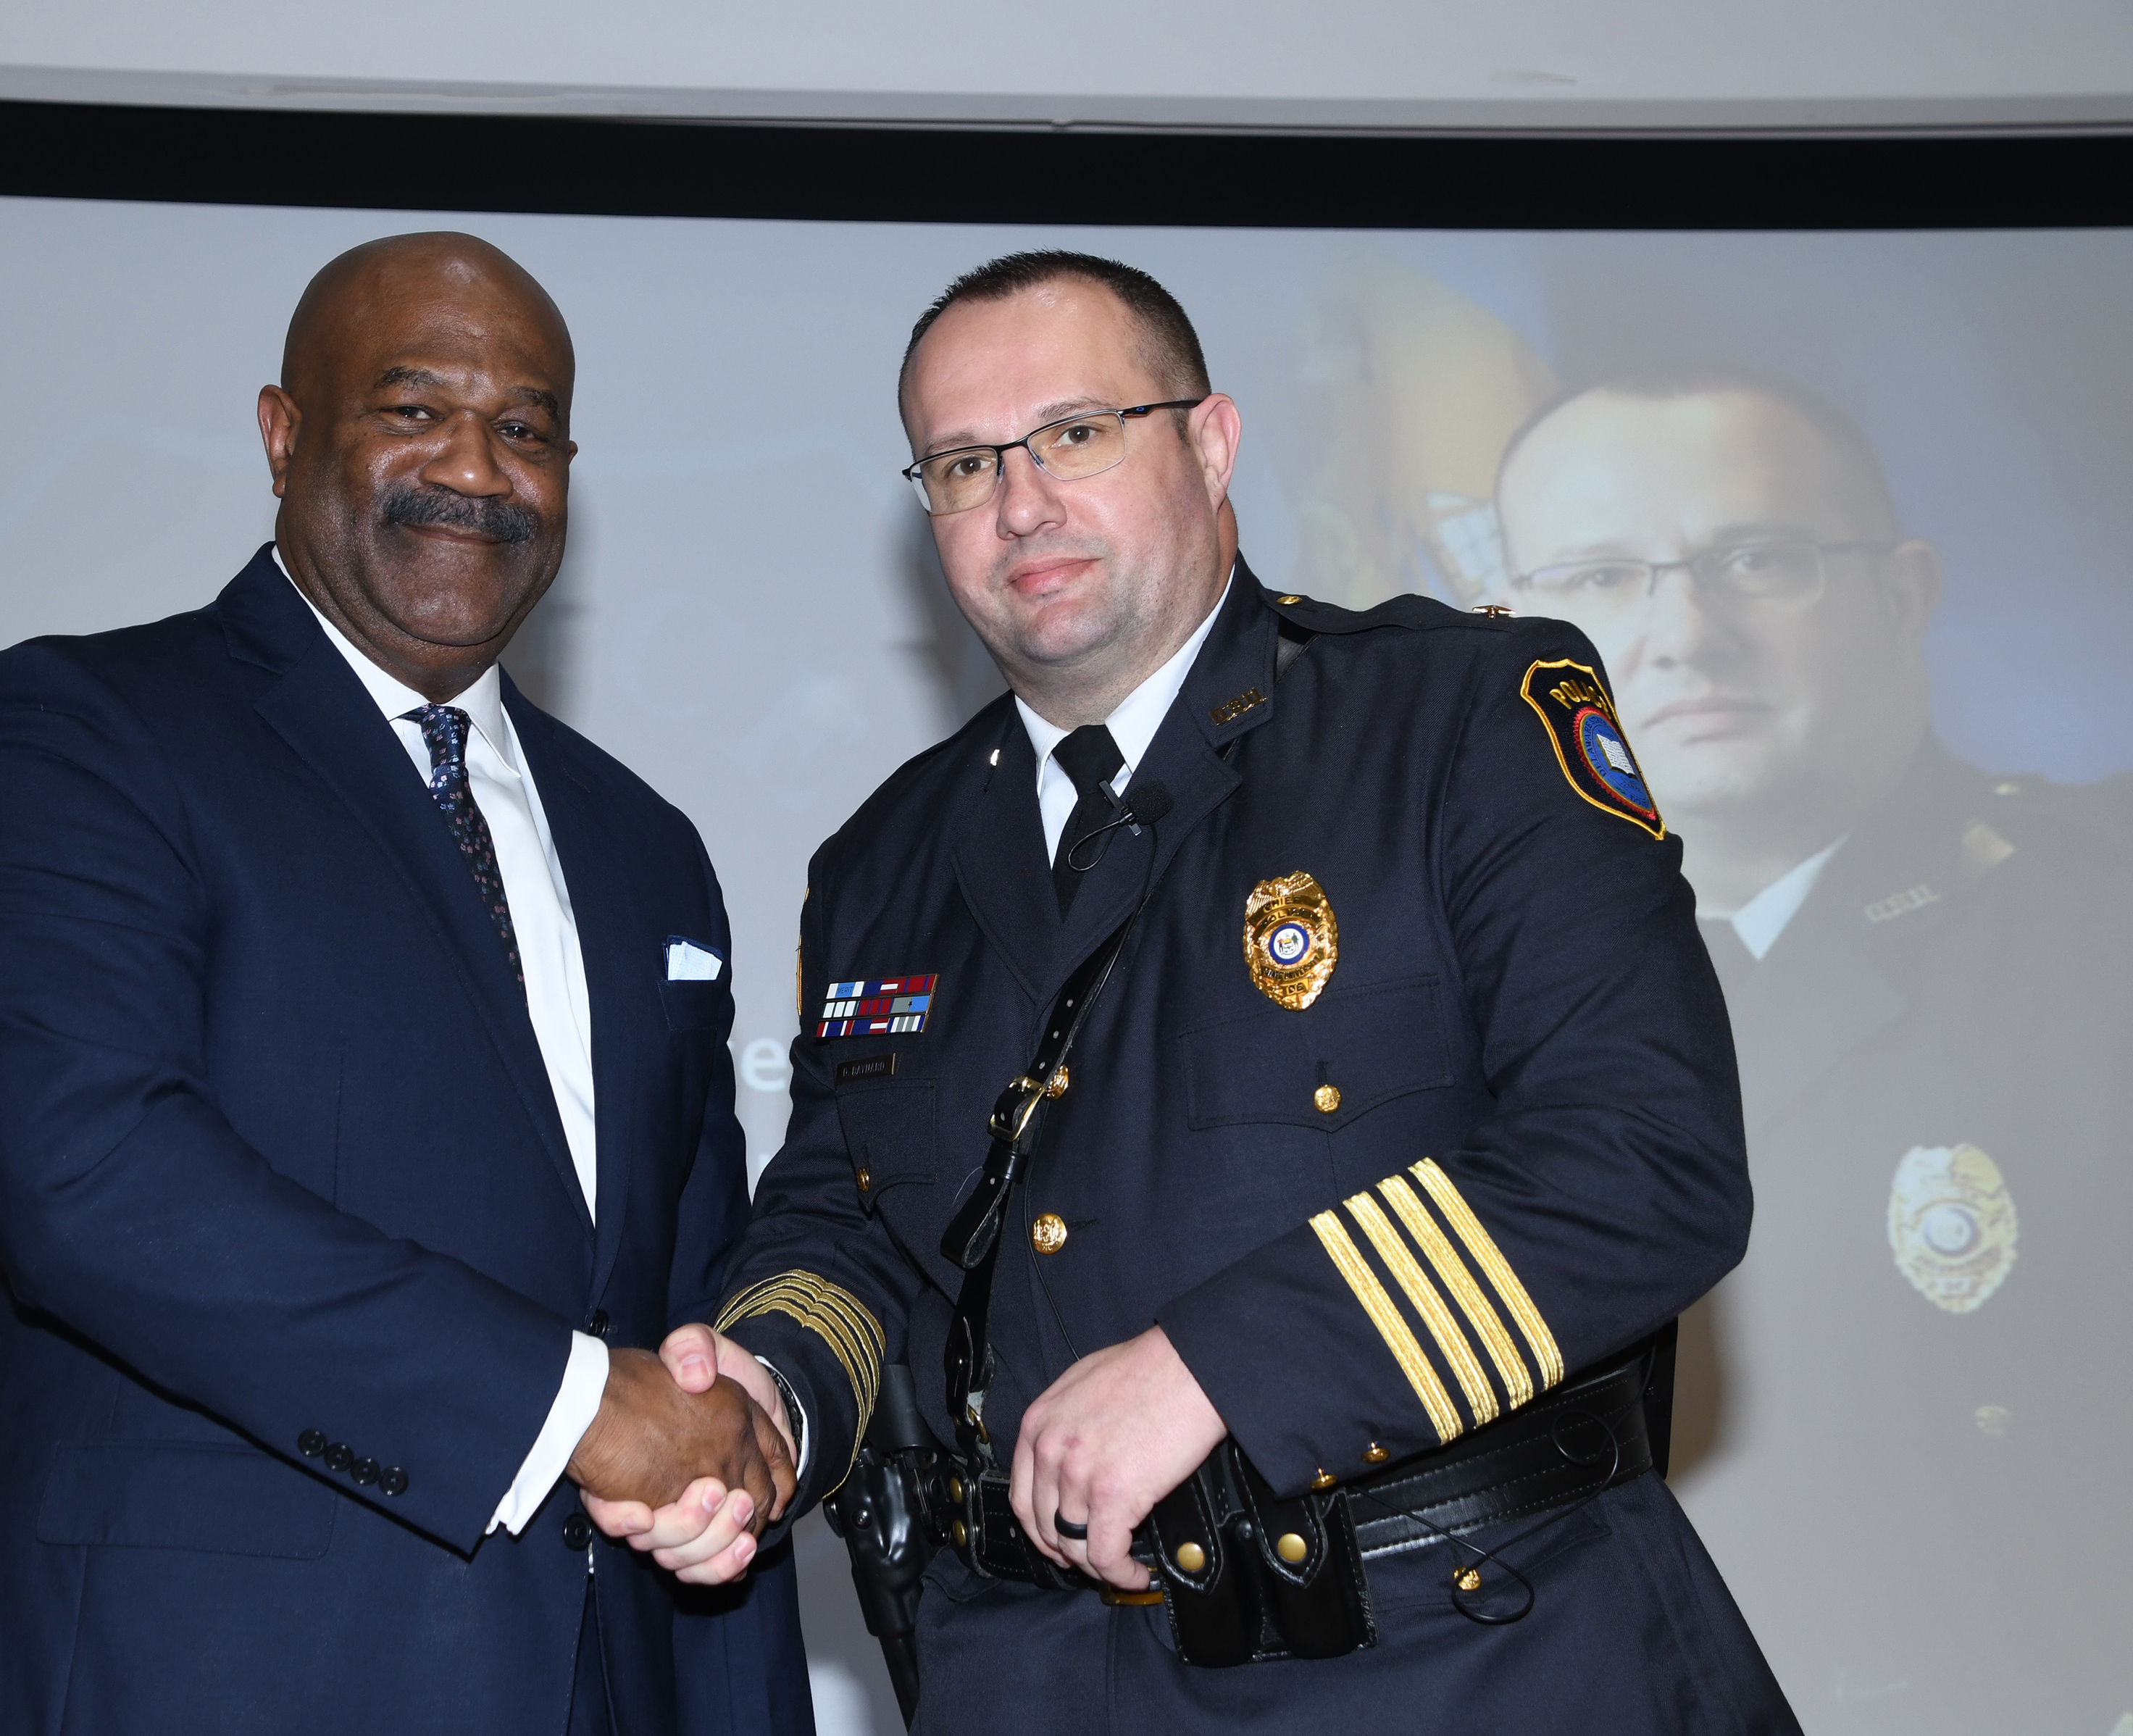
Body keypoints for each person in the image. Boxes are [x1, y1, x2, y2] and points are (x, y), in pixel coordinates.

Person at [615, 250, 1797, 1732]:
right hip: (1038, 1686)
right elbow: (850, 1215)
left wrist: (1219, 1366)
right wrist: (771, 1401)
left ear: (1213, 443)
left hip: (1466, 1667)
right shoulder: (885, 861)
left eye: (1077, 434)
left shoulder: (1455, 720)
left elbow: (1645, 1158)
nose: (1022, 502)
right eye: (964, 463)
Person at [0, 233, 808, 1736]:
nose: (474, 466)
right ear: (282, 435)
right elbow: (94, 1176)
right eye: (412, 409)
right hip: (208, 1682)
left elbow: (679, 1308)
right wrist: (575, 1406)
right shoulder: (78, 730)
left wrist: (734, 1430)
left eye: (526, 429)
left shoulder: (646, 846)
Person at [1496, 372, 2133, 1733]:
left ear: (1905, 593)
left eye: (1760, 560)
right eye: (1602, 576)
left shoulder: (2102, 929)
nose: (1683, 636)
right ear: (1513, 634)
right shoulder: (1437, 1003)